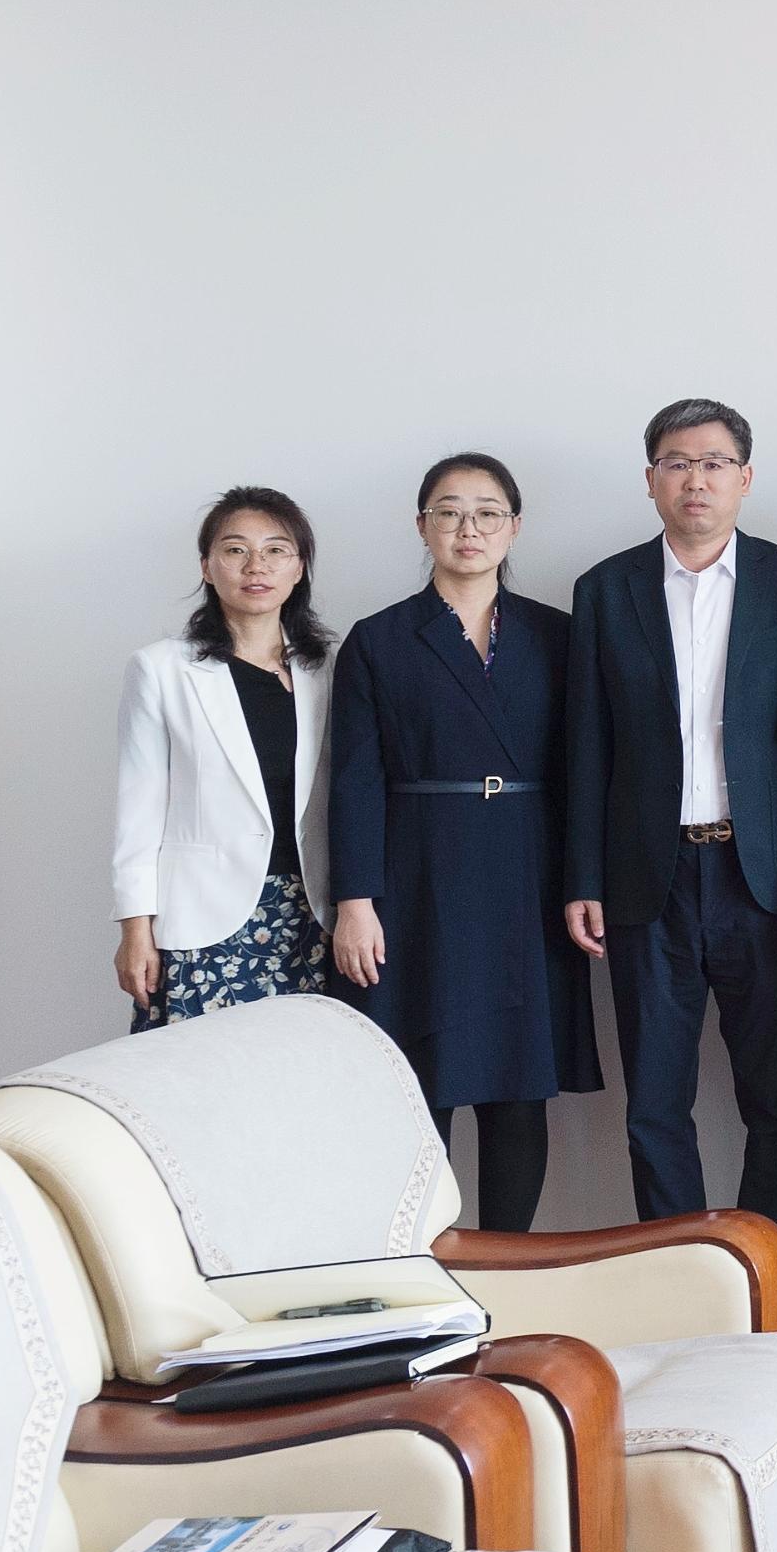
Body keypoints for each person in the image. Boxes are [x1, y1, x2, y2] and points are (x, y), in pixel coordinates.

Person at [562, 399, 777, 1254]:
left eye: (714, 463)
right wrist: (583, 877)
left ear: (744, 479)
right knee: (654, 1104)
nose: (696, 480)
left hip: (760, 875)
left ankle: (767, 1282)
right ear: (650, 480)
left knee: (776, 1102)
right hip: (647, 878)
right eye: (677, 463)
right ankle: (678, 1283)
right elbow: (587, 744)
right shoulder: (605, 590)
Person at [325, 453, 600, 1232]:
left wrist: (584, 881)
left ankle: (508, 1260)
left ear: (515, 527)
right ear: (423, 526)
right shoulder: (379, 639)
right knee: (421, 1079)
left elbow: (585, 770)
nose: (467, 528)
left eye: (487, 512)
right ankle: (430, 1262)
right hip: (416, 876)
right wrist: (355, 901)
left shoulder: (558, 634)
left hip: (527, 875)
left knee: (518, 1081)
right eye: (448, 512)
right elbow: (354, 779)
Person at [113, 486, 339, 1029]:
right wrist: (135, 929)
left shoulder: (329, 669)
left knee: (299, 1068)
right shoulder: (161, 670)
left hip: (313, 916)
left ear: (299, 568)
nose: (255, 566)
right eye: (236, 549)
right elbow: (138, 807)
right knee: (198, 1072)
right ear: (207, 567)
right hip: (203, 920)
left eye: (276, 550)